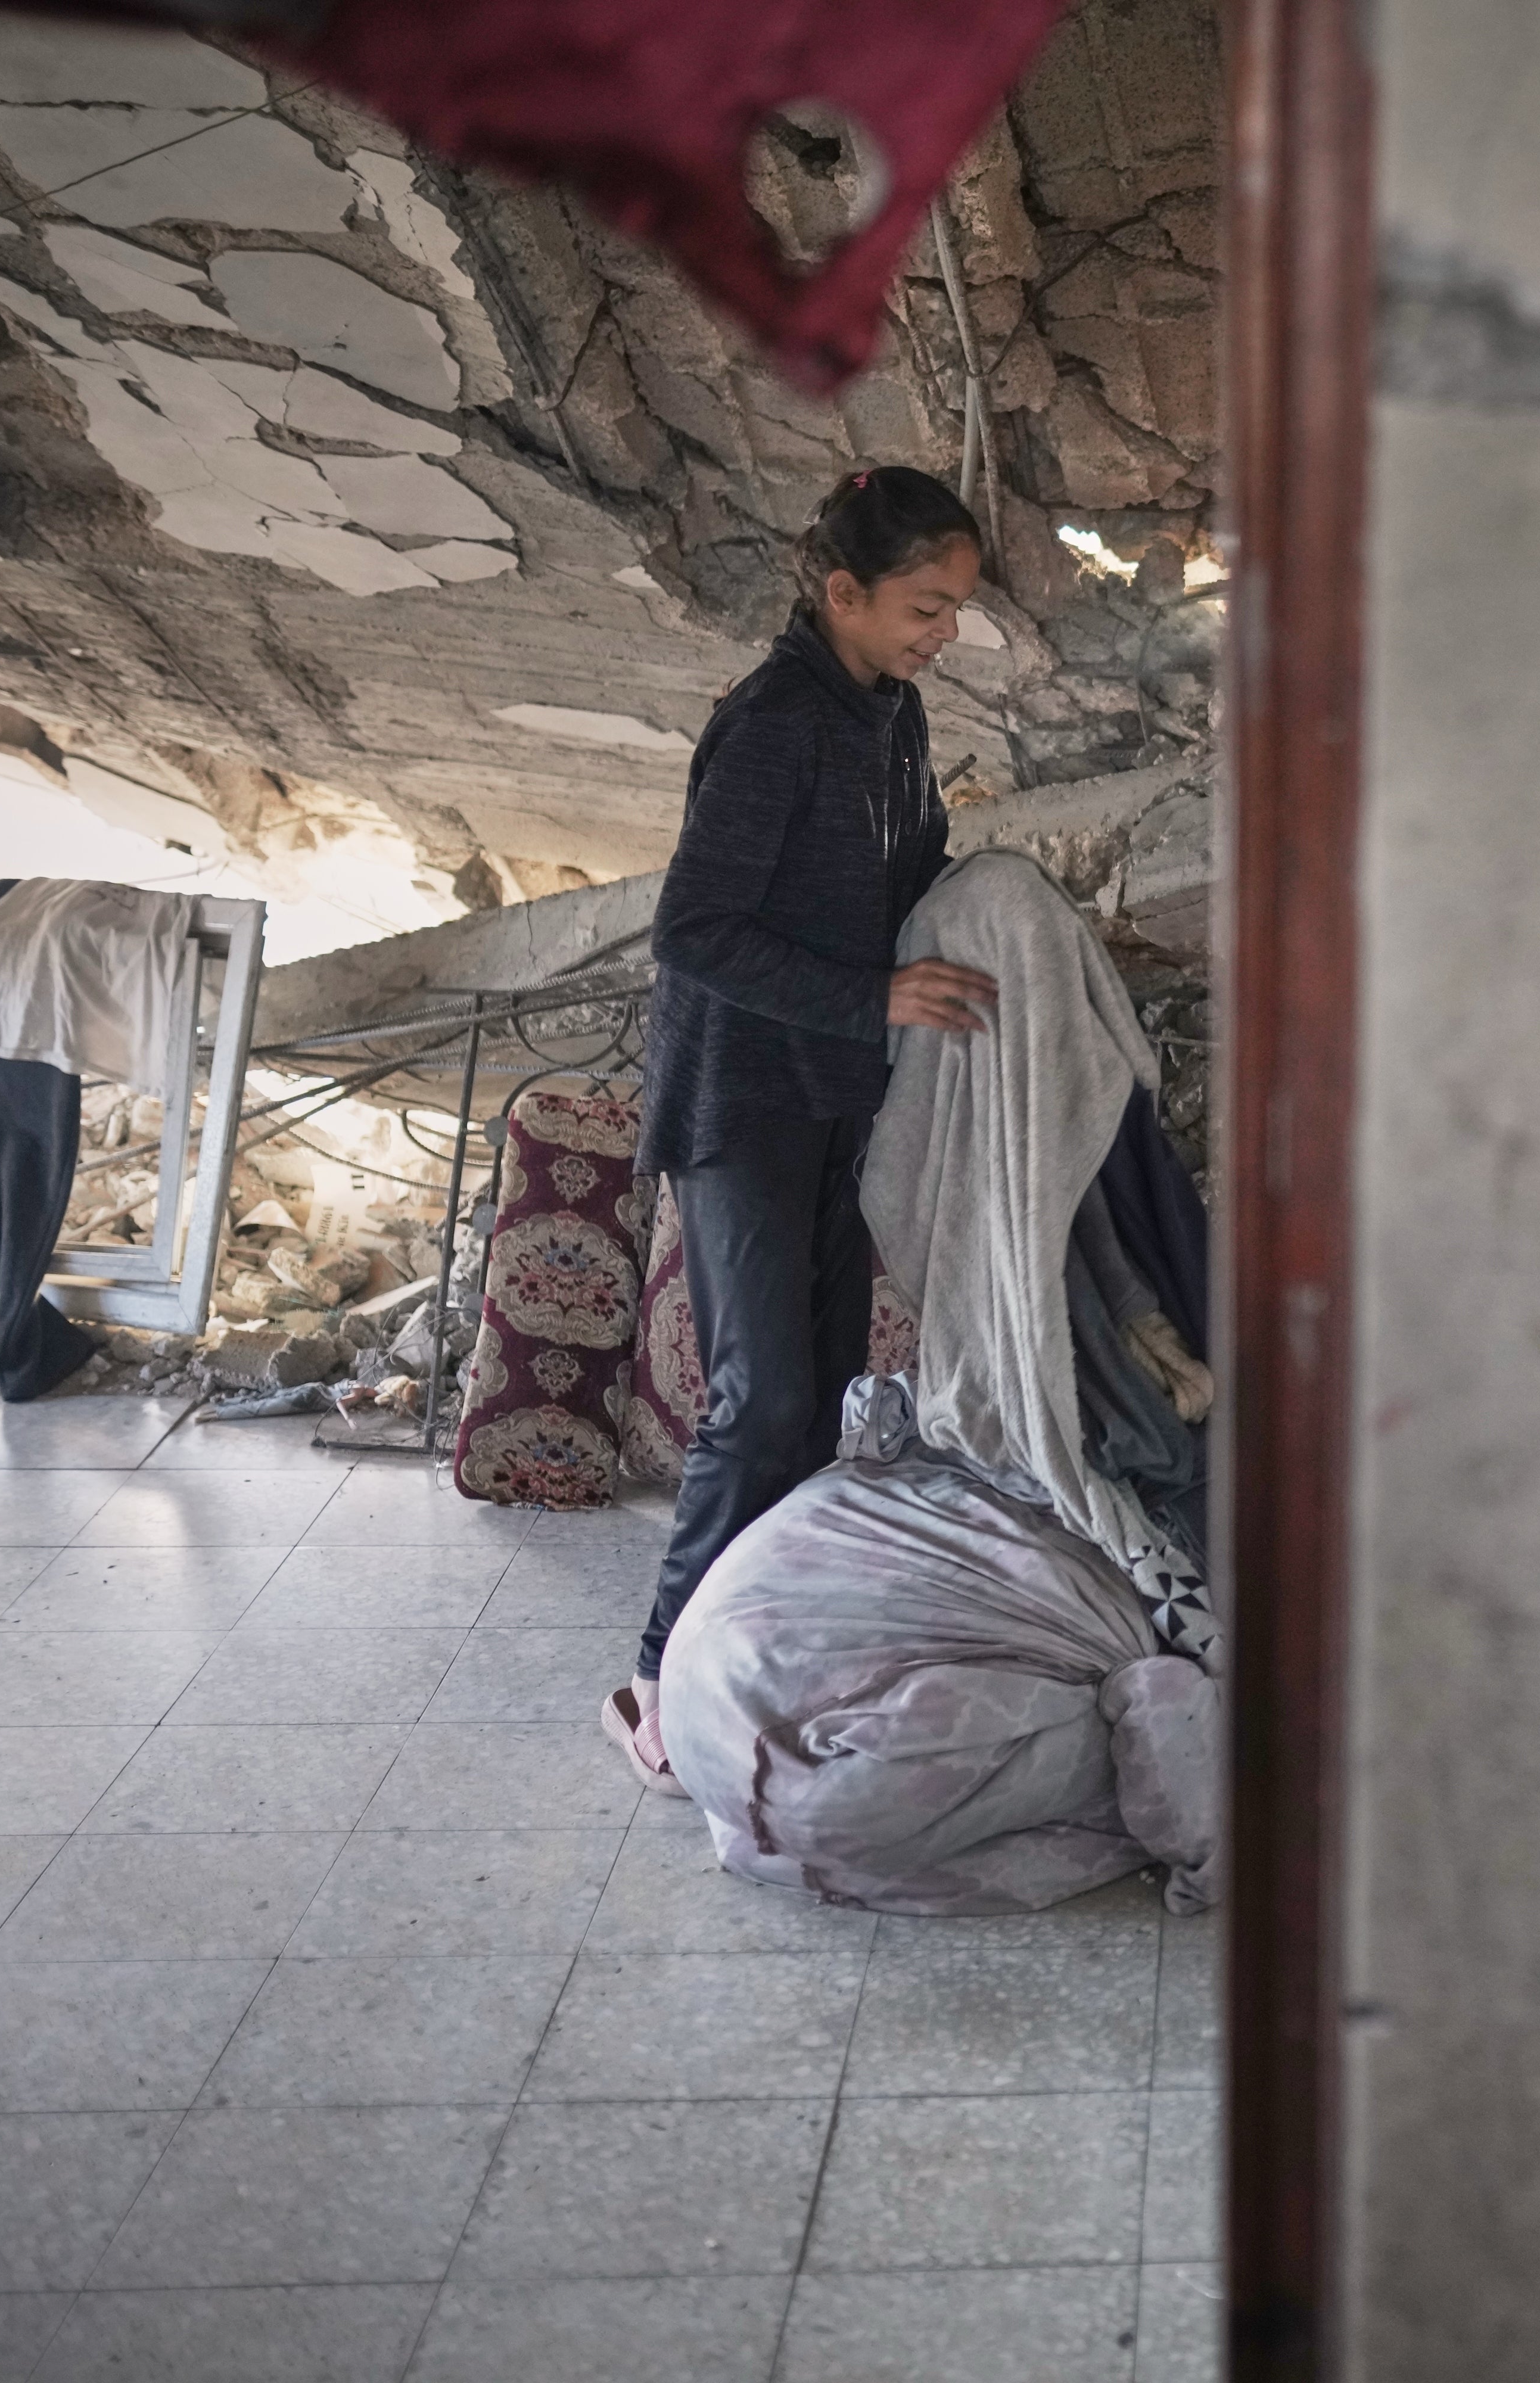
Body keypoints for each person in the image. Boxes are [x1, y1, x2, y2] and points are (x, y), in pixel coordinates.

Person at [602, 465, 1004, 1794]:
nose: (943, 633)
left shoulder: (891, 715)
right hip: (744, 1100)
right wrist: (874, 991)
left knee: (822, 1391)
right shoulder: (774, 719)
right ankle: (661, 1679)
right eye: (924, 607)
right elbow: (694, 927)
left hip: (835, 1088)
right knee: (758, 1397)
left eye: (952, 611)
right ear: (842, 593)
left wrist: (985, 909)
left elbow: (902, 872)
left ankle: (756, 1655)